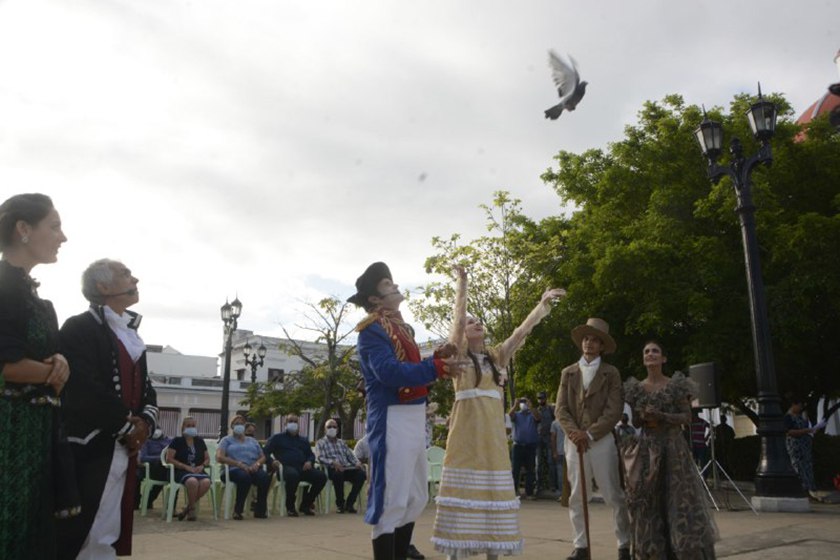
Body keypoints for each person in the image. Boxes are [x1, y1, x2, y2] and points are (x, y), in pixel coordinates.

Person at [431, 265, 565, 559]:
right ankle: (457, 551)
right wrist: (462, 282)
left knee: (493, 491)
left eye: (479, 321)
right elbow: (457, 318)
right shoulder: (459, 357)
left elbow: (520, 333)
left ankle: (494, 549)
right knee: (465, 490)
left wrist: (541, 305)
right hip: (466, 434)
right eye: (470, 322)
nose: (476, 323)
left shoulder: (496, 357)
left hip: (492, 437)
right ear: (462, 332)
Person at [347, 261, 459, 560]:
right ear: (374, 298)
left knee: (415, 496)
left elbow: (409, 367)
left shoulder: (401, 329)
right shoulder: (371, 331)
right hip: (392, 416)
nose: (394, 285)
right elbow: (389, 372)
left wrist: (436, 358)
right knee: (391, 500)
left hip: (412, 416)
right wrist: (435, 367)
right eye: (387, 284)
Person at [57, 259, 159, 559]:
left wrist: (145, 423)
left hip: (123, 446)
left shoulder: (132, 335)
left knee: (107, 528)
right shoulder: (79, 327)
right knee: (84, 527)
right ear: (103, 287)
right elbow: (82, 387)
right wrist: (127, 426)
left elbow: (147, 389)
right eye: (125, 274)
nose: (135, 279)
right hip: (91, 447)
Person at [0, 193, 76, 559]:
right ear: (23, 230)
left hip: (32, 434)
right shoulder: (5, 286)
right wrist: (52, 370)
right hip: (9, 437)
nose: (63, 237)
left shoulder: (32, 295)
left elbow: (39, 355)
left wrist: (58, 359)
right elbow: (5, 363)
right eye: (55, 226)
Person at [622, 340, 718, 559]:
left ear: (663, 358)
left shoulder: (676, 385)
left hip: (674, 450)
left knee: (678, 501)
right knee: (650, 503)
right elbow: (636, 423)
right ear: (643, 358)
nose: (650, 354)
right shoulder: (636, 389)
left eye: (655, 351)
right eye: (646, 351)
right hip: (649, 451)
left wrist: (662, 416)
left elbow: (687, 417)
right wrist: (643, 416)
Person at [555, 317, 630, 560]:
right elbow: (561, 409)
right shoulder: (568, 372)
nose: (589, 343)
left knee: (613, 494)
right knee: (577, 494)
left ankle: (624, 544)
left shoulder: (611, 373)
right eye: (586, 339)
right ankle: (581, 546)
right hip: (574, 441)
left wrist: (589, 433)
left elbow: (614, 409)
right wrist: (575, 433)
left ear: (602, 346)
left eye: (594, 340)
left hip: (601, 440)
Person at [264, 413, 327, 516]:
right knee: (293, 475)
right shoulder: (277, 438)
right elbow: (265, 452)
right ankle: (290, 507)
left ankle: (306, 504)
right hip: (285, 468)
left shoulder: (303, 440)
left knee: (321, 477)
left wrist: (309, 461)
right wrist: (272, 461)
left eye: (295, 421)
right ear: (285, 424)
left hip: (302, 467)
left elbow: (310, 455)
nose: (293, 423)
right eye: (290, 421)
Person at [216, 415, 270, 520]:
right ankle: (238, 510)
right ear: (232, 426)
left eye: (241, 424)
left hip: (252, 468)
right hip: (233, 469)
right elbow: (219, 457)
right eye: (236, 424)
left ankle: (260, 510)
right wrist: (238, 464)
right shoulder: (226, 440)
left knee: (264, 478)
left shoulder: (252, 441)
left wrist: (257, 464)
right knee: (244, 477)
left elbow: (263, 457)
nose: (239, 426)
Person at [316, 418, 366, 513]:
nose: (332, 428)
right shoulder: (320, 442)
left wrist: (357, 463)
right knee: (338, 474)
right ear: (325, 429)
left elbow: (351, 456)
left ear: (337, 430)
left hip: (347, 468)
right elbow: (320, 457)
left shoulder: (341, 442)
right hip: (332, 469)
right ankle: (340, 504)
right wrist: (332, 462)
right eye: (329, 427)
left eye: (334, 427)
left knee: (361, 474)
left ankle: (350, 503)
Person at [166, 416, 212, 520]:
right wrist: (185, 467)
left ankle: (187, 508)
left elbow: (207, 459)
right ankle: (191, 510)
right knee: (192, 482)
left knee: (206, 482)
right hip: (181, 470)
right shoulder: (177, 441)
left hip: (198, 470)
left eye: (193, 426)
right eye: (188, 425)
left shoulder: (200, 441)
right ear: (183, 427)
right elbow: (169, 459)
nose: (191, 427)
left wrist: (202, 466)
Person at [784, 398, 820, 500]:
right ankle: (802, 490)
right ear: (793, 405)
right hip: (796, 447)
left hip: (805, 447)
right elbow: (789, 432)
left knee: (807, 467)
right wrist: (805, 431)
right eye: (799, 405)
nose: (800, 408)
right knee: (799, 468)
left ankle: (810, 489)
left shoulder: (801, 416)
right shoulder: (788, 418)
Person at [509, 396, 541, 499]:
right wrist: (515, 405)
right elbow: (510, 415)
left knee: (530, 470)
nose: (524, 404)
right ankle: (513, 492)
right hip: (517, 446)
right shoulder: (517, 415)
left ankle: (529, 493)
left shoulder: (532, 414)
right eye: (522, 402)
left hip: (530, 446)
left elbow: (538, 417)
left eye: (525, 402)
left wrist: (531, 406)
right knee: (515, 470)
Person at [136, 428, 172, 510]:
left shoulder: (169, 441)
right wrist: (160, 458)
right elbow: (143, 458)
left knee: (168, 473)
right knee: (136, 475)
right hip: (150, 468)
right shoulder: (146, 441)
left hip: (166, 468)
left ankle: (169, 507)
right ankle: (145, 501)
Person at [536, 390, 556, 492]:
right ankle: (539, 486)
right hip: (539, 438)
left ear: (545, 398)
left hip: (548, 438)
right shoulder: (536, 410)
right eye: (539, 398)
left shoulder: (551, 409)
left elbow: (555, 421)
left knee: (550, 462)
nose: (541, 400)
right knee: (538, 463)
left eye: (542, 398)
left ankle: (553, 486)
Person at [550, 417, 569, 506]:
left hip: (568, 452)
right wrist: (554, 451)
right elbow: (553, 438)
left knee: (570, 474)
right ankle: (562, 494)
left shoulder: (569, 422)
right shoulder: (555, 424)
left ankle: (568, 494)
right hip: (560, 452)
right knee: (560, 474)